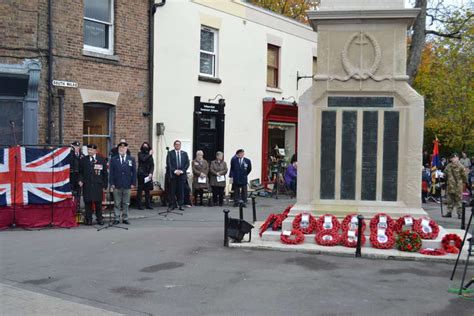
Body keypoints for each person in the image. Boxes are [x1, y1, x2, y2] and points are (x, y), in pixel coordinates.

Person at [78, 144, 108, 225]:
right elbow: (80, 172)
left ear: (95, 150)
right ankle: (89, 219)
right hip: (87, 184)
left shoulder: (101, 160)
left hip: (97, 185)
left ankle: (99, 219)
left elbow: (105, 173)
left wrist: (105, 185)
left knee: (98, 203)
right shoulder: (84, 160)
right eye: (88, 150)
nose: (89, 151)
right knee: (88, 203)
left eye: (91, 150)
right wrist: (80, 180)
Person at [109, 140, 137, 225]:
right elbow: (111, 173)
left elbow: (134, 172)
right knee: (117, 203)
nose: (122, 149)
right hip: (116, 185)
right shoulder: (114, 159)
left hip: (127, 184)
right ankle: (116, 218)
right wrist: (112, 183)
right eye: (120, 147)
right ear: (118, 149)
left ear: (126, 148)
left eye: (124, 147)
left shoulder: (131, 159)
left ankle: (125, 218)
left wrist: (133, 183)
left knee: (126, 203)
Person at [166, 140, 190, 210]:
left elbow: (187, 163)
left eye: (179, 144)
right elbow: (169, 163)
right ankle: (173, 204)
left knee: (181, 190)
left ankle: (181, 204)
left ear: (180, 145)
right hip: (173, 175)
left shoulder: (184, 153)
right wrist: (175, 171)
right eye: (176, 144)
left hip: (182, 175)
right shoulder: (170, 153)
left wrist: (182, 171)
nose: (177, 146)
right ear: (174, 145)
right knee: (172, 190)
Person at [443, 153, 468, 218]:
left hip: (458, 186)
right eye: (453, 157)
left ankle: (460, 214)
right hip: (450, 186)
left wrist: (464, 182)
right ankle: (449, 212)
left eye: (456, 157)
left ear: (458, 158)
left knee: (459, 200)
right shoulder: (448, 166)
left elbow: (464, 176)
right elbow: (445, 174)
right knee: (449, 200)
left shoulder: (461, 166)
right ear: (451, 159)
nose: (454, 159)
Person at [137, 142, 155, 210]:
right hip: (141, 174)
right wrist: (149, 154)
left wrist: (151, 173)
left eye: (146, 146)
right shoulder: (140, 153)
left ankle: (148, 204)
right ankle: (139, 205)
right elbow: (143, 159)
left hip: (148, 174)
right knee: (140, 190)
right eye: (144, 146)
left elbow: (152, 165)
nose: (145, 147)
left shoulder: (150, 155)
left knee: (147, 190)